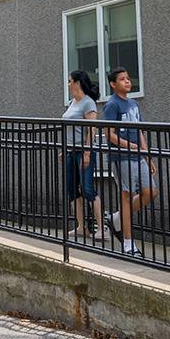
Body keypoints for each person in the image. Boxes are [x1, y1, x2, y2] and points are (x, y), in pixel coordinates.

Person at [99, 67, 157, 256]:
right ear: (113, 84)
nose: (127, 81)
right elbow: (109, 134)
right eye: (122, 79)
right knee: (126, 194)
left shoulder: (133, 104)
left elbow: (139, 130)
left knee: (151, 192)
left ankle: (116, 217)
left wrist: (146, 156)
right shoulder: (112, 105)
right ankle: (128, 243)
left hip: (138, 156)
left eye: (128, 78)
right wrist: (129, 146)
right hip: (122, 157)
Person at [63, 70, 103, 237]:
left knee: (86, 188)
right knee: (72, 190)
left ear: (78, 83)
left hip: (82, 152)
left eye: (70, 81)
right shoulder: (73, 102)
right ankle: (81, 227)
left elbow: (92, 129)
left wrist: (87, 152)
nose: (68, 84)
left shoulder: (88, 103)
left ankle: (102, 228)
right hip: (70, 152)